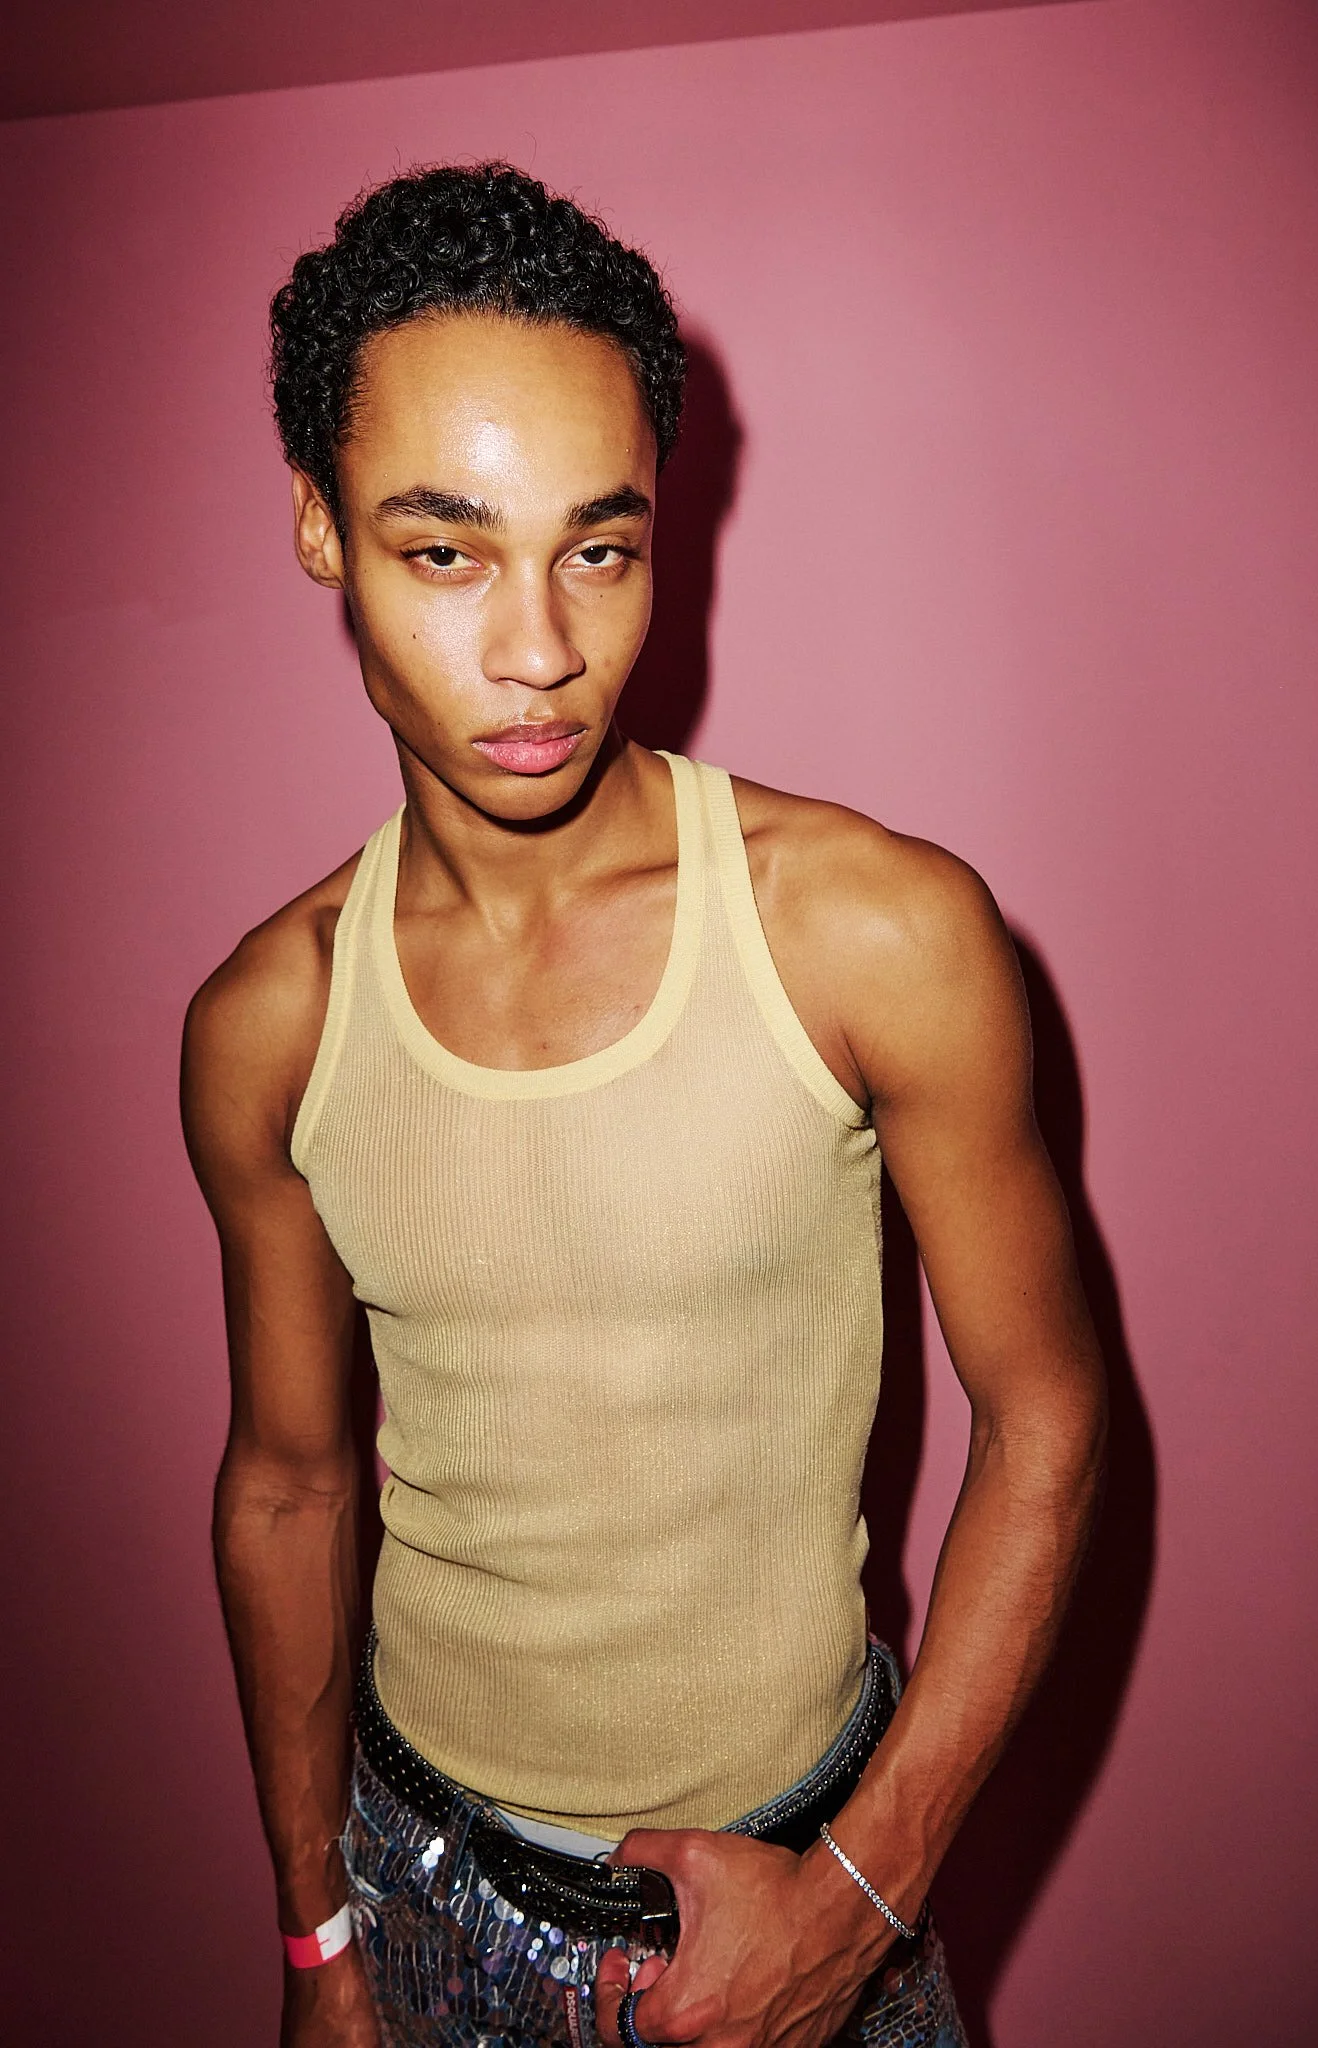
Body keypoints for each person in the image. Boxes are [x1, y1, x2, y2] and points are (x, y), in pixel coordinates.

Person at [181, 163, 1106, 2048]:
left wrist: (864, 1897)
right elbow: (287, 1483)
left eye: (598, 547)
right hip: (416, 1887)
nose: (539, 649)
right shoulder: (266, 1025)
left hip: (812, 1879)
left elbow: (1050, 1419)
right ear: (317, 530)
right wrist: (317, 1944)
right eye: (446, 551)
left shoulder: (875, 931)